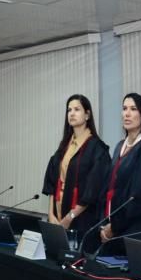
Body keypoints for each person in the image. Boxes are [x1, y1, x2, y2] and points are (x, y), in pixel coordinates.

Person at [97, 92, 141, 256]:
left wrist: (113, 228)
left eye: (133, 109)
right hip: (112, 230)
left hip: (135, 233)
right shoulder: (118, 147)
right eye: (124, 108)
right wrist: (104, 225)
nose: (127, 113)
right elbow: (107, 190)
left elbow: (137, 198)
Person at [41, 94, 111, 239]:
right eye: (69, 110)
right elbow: (52, 181)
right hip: (57, 217)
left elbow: (93, 190)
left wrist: (70, 216)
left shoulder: (97, 149)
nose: (71, 113)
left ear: (87, 115)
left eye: (77, 109)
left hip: (82, 220)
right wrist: (51, 214)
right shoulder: (64, 147)